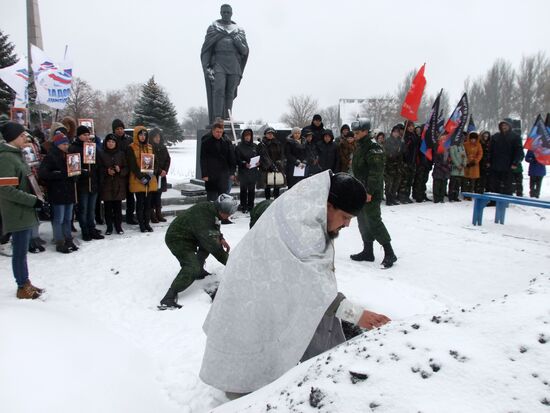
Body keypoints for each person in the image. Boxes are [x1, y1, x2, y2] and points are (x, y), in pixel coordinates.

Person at [199, 171, 391, 397]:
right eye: (346, 217)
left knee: (309, 315)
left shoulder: (307, 203)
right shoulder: (302, 228)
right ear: (328, 206)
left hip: (261, 280)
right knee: (250, 360)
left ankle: (328, 370)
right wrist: (358, 315)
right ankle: (246, 393)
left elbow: (315, 290)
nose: (347, 225)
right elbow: (315, 290)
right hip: (252, 289)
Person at [159, 193, 238, 309]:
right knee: (192, 267)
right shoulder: (204, 215)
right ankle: (169, 296)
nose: (229, 216)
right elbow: (215, 248)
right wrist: (233, 264)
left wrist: (221, 238)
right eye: (229, 214)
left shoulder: (212, 210)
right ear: (222, 211)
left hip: (191, 236)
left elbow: (213, 228)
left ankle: (200, 270)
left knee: (206, 245)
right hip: (177, 239)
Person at [0, 122, 44, 299]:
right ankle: (21, 286)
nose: (25, 138)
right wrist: (33, 200)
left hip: (24, 210)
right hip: (17, 211)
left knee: (22, 251)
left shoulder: (17, 155)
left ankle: (25, 282)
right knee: (19, 251)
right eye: (22, 136)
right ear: (13, 137)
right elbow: (5, 189)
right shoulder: (6, 158)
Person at [349, 119, 397, 268]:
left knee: (373, 220)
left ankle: (390, 253)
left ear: (365, 131)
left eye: (358, 132)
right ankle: (368, 251)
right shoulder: (360, 146)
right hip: (360, 189)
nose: (355, 135)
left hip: (370, 191)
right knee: (362, 220)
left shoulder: (373, 148)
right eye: (354, 133)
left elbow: (376, 173)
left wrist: (369, 192)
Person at [200, 4, 249, 123]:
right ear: (221, 13)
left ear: (231, 13)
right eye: (224, 12)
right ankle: (217, 117)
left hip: (233, 64)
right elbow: (206, 48)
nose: (226, 14)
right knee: (219, 89)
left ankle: (228, 116)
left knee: (230, 92)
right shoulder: (213, 28)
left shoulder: (239, 30)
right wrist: (207, 68)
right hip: (219, 62)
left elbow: (245, 51)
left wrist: (238, 43)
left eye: (228, 12)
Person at [38, 132, 78, 253]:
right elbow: (43, 173)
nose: (67, 146)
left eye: (67, 143)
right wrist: (60, 175)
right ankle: (59, 241)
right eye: (64, 144)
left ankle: (68, 238)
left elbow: (74, 171)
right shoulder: (50, 157)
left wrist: (76, 175)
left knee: (68, 218)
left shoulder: (69, 156)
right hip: (57, 192)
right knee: (58, 219)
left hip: (69, 191)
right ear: (58, 144)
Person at [69, 125, 104, 241]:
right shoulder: (74, 148)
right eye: (84, 135)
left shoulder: (92, 147)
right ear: (79, 136)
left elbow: (99, 161)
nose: (87, 136)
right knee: (83, 208)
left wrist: (94, 146)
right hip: (82, 184)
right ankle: (85, 230)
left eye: (88, 134)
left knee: (91, 209)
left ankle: (92, 228)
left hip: (93, 183)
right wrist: (83, 172)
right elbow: (73, 167)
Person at [127, 126, 158, 233]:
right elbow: (132, 165)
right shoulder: (131, 147)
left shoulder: (150, 147)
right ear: (136, 135)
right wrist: (141, 177)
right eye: (140, 134)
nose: (143, 137)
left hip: (149, 178)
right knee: (140, 203)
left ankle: (147, 223)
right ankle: (141, 224)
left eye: (145, 134)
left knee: (148, 203)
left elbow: (155, 162)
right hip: (137, 179)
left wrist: (150, 175)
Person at [97, 134, 128, 235]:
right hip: (107, 184)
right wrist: (107, 171)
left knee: (117, 207)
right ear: (106, 143)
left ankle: (118, 226)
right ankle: (109, 227)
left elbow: (126, 168)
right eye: (109, 142)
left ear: (116, 143)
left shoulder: (121, 154)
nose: (111, 143)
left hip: (118, 184)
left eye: (113, 142)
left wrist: (120, 170)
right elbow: (98, 168)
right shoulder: (101, 153)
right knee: (107, 208)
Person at [200, 120, 236, 202]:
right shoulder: (206, 142)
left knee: (223, 199)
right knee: (211, 199)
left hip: (223, 175)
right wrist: (204, 174)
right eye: (217, 132)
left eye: (220, 132)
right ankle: (211, 214)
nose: (219, 134)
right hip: (211, 174)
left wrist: (232, 172)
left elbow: (230, 158)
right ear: (213, 131)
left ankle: (221, 214)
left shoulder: (226, 142)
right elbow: (203, 159)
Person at [488, 120, 523, 195]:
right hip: (496, 165)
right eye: (502, 125)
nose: (504, 127)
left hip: (508, 165)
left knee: (507, 185)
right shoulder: (495, 136)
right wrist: (489, 161)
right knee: (494, 184)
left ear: (509, 126)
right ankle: (494, 200)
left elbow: (519, 151)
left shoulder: (515, 137)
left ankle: (505, 201)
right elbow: (491, 150)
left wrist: (515, 163)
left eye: (506, 125)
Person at [112, 119, 136, 224]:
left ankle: (130, 217)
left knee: (130, 196)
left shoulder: (129, 139)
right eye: (117, 129)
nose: (120, 131)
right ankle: (115, 217)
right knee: (116, 196)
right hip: (117, 172)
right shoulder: (111, 139)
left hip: (129, 171)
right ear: (114, 130)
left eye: (121, 128)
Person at [235, 128, 259, 213]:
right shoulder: (239, 147)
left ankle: (251, 206)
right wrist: (245, 164)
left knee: (252, 190)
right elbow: (237, 159)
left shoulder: (255, 146)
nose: (248, 137)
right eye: (246, 136)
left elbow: (259, 156)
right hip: (243, 171)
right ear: (243, 136)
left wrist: (258, 162)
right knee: (244, 190)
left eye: (249, 135)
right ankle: (243, 206)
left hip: (253, 171)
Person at [150, 128, 171, 223]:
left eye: (159, 137)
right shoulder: (149, 148)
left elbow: (168, 159)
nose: (157, 139)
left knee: (158, 195)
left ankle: (159, 213)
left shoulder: (163, 147)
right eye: (155, 137)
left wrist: (165, 171)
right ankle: (152, 214)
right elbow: (150, 162)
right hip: (153, 175)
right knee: (152, 196)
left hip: (162, 176)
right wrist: (158, 171)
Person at [258, 127, 285, 200]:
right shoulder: (262, 144)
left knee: (277, 185)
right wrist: (269, 165)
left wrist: (280, 162)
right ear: (265, 134)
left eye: (272, 133)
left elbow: (282, 154)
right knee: (267, 186)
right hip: (266, 168)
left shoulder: (278, 143)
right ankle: (268, 201)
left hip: (277, 166)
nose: (270, 135)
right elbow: (262, 156)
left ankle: (276, 200)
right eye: (268, 133)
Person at [398, 120, 419, 203]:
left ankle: (407, 195)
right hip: (405, 161)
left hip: (413, 161)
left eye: (412, 126)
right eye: (409, 126)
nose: (411, 128)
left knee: (410, 180)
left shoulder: (414, 136)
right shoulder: (404, 136)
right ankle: (401, 196)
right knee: (404, 180)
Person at [383, 125, 404, 205]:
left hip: (398, 166)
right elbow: (386, 152)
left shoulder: (400, 141)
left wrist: (402, 146)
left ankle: (393, 198)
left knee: (396, 182)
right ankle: (388, 199)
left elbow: (403, 152)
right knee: (389, 183)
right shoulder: (388, 141)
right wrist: (394, 153)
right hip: (390, 165)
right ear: (392, 133)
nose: (396, 134)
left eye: (397, 132)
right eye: (394, 132)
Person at [462, 132, 483, 199]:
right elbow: (463, 153)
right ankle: (464, 194)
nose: (473, 140)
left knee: (472, 182)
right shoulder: (465, 144)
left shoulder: (478, 145)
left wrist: (475, 161)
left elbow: (480, 154)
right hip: (466, 164)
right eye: (471, 139)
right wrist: (466, 161)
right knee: (465, 181)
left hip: (474, 165)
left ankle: (470, 195)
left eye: (474, 139)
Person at [432, 134, 451, 203]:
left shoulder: (448, 148)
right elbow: (435, 159)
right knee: (437, 184)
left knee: (444, 184)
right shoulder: (436, 147)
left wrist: (448, 165)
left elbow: (449, 158)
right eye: (442, 138)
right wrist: (442, 166)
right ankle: (436, 198)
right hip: (438, 169)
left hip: (445, 170)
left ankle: (441, 197)